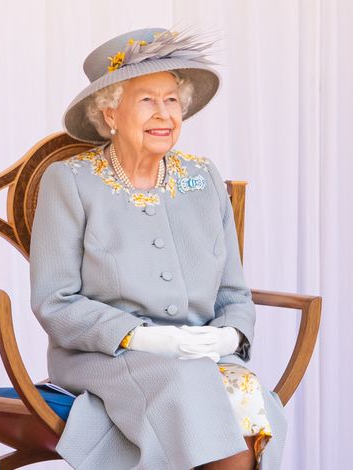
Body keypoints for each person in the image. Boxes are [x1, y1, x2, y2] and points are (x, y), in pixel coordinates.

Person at [29, 26, 287, 470]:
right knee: (189, 391)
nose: (164, 114)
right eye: (147, 100)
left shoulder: (202, 176)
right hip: (106, 355)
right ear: (110, 114)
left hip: (204, 354)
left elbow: (234, 292)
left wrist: (230, 334)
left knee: (248, 397)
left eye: (171, 100)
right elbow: (54, 301)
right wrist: (144, 336)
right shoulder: (70, 181)